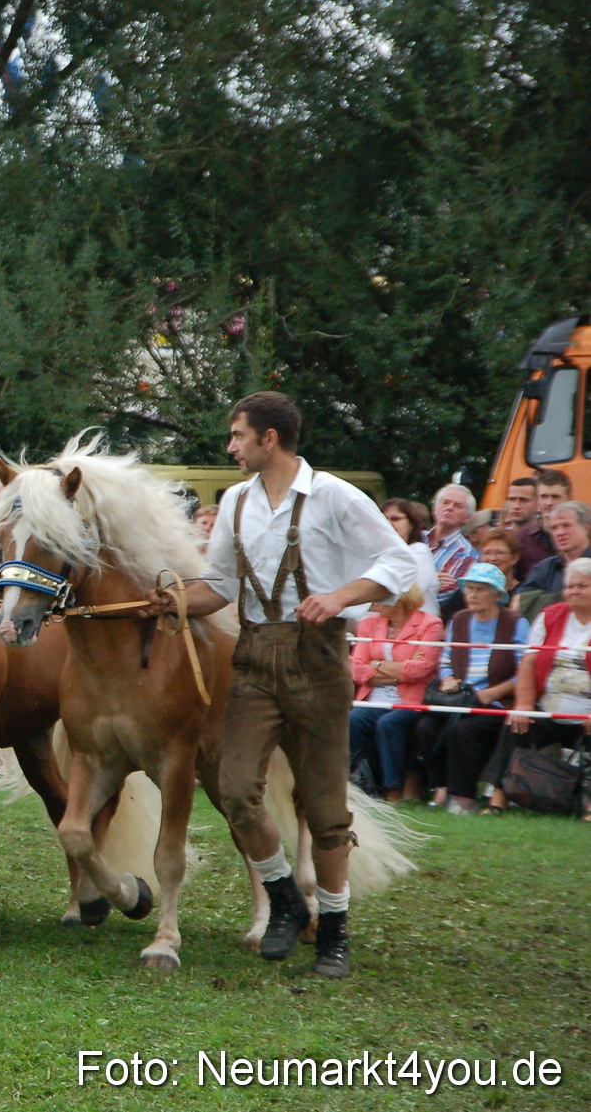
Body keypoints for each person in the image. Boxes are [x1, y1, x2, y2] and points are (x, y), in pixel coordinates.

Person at [155, 391, 415, 979]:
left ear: (269, 439)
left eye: (237, 436)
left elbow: (399, 564)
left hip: (318, 659)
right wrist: (166, 603)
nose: (230, 447)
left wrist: (342, 597)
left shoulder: (335, 496)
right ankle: (286, 899)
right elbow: (219, 584)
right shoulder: (237, 503)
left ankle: (336, 933)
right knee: (235, 789)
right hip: (252, 655)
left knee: (325, 809)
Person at [486, 556, 591, 820]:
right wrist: (523, 705)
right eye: (570, 586)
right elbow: (528, 665)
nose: (574, 591)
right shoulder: (550, 616)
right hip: (549, 708)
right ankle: (498, 799)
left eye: (583, 586)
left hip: (587, 713)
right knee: (515, 725)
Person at [420, 564, 527, 815]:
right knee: (426, 726)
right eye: (469, 589)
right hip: (459, 698)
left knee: (465, 730)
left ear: (497, 594)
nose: (473, 595)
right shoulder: (459, 619)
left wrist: (495, 692)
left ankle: (465, 796)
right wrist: (447, 679)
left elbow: (525, 670)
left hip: (496, 702)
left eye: (480, 589)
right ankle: (441, 788)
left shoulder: (515, 622)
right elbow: (445, 660)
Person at [347, 586, 443, 802]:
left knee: (389, 724)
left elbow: (420, 670)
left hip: (410, 701)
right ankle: (354, 784)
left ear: (399, 599)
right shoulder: (367, 624)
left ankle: (393, 790)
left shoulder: (430, 624)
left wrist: (377, 663)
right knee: (353, 720)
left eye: (380, 597)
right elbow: (358, 671)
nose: (373, 602)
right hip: (372, 699)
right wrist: (399, 670)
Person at [513, 500, 591, 621]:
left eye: (566, 525)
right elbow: (519, 603)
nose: (560, 533)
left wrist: (543, 599)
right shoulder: (544, 568)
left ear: (585, 528)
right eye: (554, 528)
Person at [381, 498, 439, 617]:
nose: (388, 523)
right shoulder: (368, 554)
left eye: (395, 519)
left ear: (411, 524)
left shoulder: (419, 551)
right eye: (383, 519)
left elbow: (406, 593)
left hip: (417, 629)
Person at [425, 484, 478, 612]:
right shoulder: (414, 538)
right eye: (446, 503)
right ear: (435, 509)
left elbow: (443, 596)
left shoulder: (466, 555)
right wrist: (432, 579)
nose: (449, 508)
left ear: (468, 517)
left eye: (458, 506)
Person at [503, 477, 551, 578]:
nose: (516, 506)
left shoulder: (548, 538)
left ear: (538, 503)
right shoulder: (500, 539)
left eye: (523, 500)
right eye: (512, 499)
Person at [476, 528, 523, 597]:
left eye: (500, 553)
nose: (492, 558)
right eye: (487, 553)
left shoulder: (523, 593)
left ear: (515, 558)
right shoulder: (469, 591)